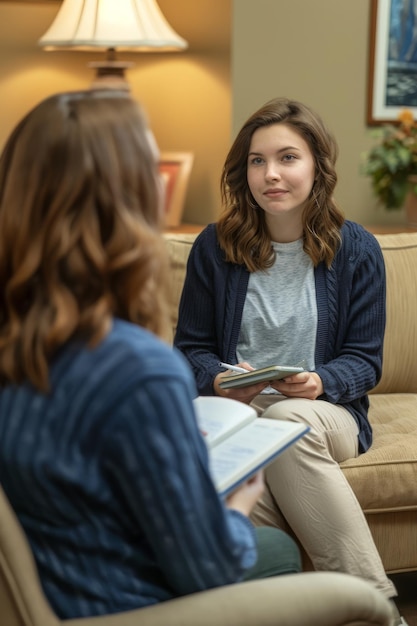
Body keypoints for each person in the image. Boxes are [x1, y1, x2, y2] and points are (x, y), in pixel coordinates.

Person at [0, 90, 301, 620]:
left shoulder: (19, 337)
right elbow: (208, 567)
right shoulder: (135, 368)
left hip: (55, 587)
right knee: (274, 549)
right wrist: (238, 504)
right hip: (122, 606)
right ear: (133, 199)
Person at [174, 97, 405, 622]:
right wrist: (219, 379)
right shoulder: (214, 247)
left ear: (317, 167)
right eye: (257, 161)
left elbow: (365, 363)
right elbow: (189, 352)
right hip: (242, 416)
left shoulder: (356, 249)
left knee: (286, 419)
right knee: (242, 469)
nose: (271, 174)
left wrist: (319, 382)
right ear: (243, 171)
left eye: (287, 158)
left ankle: (376, 608)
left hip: (327, 414)